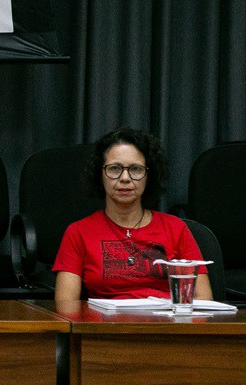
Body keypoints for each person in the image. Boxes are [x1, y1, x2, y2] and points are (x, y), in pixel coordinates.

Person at [53, 127, 210, 307]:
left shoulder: (175, 228)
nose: (125, 178)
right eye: (114, 169)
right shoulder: (78, 232)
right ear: (100, 175)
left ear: (148, 176)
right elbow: (66, 307)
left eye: (135, 169)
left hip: (167, 329)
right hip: (105, 330)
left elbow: (203, 298)